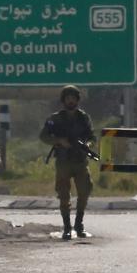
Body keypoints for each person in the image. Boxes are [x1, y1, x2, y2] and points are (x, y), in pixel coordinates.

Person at [40, 85, 96, 240]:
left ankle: (79, 224)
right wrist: (59, 141)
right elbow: (43, 136)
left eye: (73, 98)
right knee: (64, 195)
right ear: (63, 100)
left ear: (77, 100)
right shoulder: (55, 119)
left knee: (84, 191)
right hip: (63, 161)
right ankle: (67, 227)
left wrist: (88, 145)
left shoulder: (83, 118)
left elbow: (92, 136)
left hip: (80, 160)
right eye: (68, 98)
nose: (70, 101)